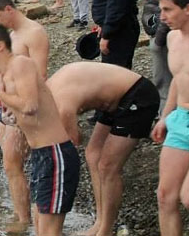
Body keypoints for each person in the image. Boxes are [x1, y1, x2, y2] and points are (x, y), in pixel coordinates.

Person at [0, 25, 79, 236]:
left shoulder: (20, 63)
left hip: (55, 155)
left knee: (48, 231)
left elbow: (30, 106)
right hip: (42, 155)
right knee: (40, 227)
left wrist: (2, 95)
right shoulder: (6, 75)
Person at [47, 63, 159, 236]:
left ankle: (106, 229)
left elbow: (73, 141)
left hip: (137, 94)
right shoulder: (48, 90)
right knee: (92, 154)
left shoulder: (60, 103)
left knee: (108, 166)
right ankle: (99, 222)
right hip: (112, 101)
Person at [0, 0, 49, 226]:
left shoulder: (34, 32)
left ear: (9, 9)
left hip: (22, 107)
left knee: (14, 162)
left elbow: (40, 75)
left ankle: (24, 219)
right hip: (7, 105)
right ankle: (20, 213)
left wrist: (20, 106)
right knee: (10, 164)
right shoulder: (11, 35)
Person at [151, 0, 189, 236]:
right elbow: (178, 81)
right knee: (165, 196)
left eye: (168, 10)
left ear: (188, 8)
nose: (163, 17)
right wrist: (164, 117)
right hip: (181, 117)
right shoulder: (172, 38)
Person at [142, 0, 185, 113]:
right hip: (158, 33)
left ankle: (166, 114)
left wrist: (157, 41)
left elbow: (167, 16)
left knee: (164, 78)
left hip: (164, 39)